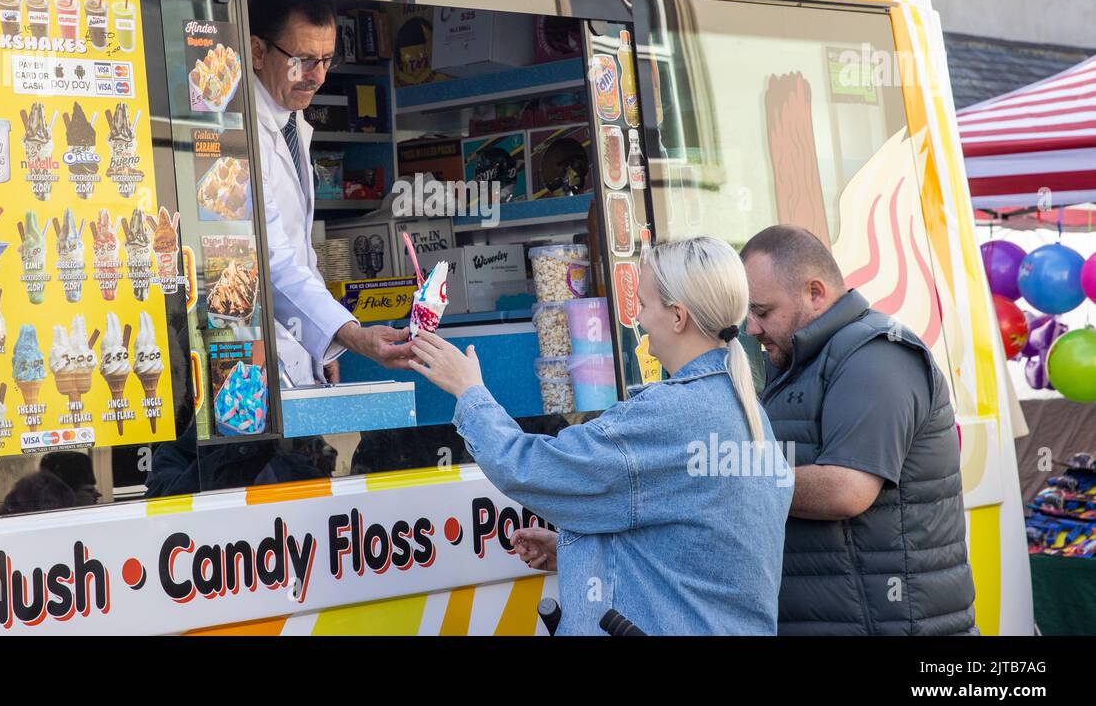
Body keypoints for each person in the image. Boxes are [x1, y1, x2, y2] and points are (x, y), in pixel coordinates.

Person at [409, 237, 792, 635]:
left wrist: (469, 391)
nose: (639, 320)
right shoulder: (746, 409)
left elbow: (525, 466)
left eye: (643, 305)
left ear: (678, 317)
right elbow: (696, 553)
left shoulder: (670, 416)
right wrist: (576, 550)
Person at [739, 224, 976, 635]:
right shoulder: (803, 361)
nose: (751, 329)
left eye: (762, 312)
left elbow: (846, 490)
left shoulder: (877, 355)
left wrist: (730, 479)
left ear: (815, 293)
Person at [249, 0, 410, 385]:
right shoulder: (239, 134)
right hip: (254, 360)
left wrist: (319, 342)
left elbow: (300, 254)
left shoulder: (291, 123)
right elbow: (272, 261)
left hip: (291, 351)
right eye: (303, 60)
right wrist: (349, 334)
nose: (318, 76)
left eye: (326, 60)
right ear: (257, 51)